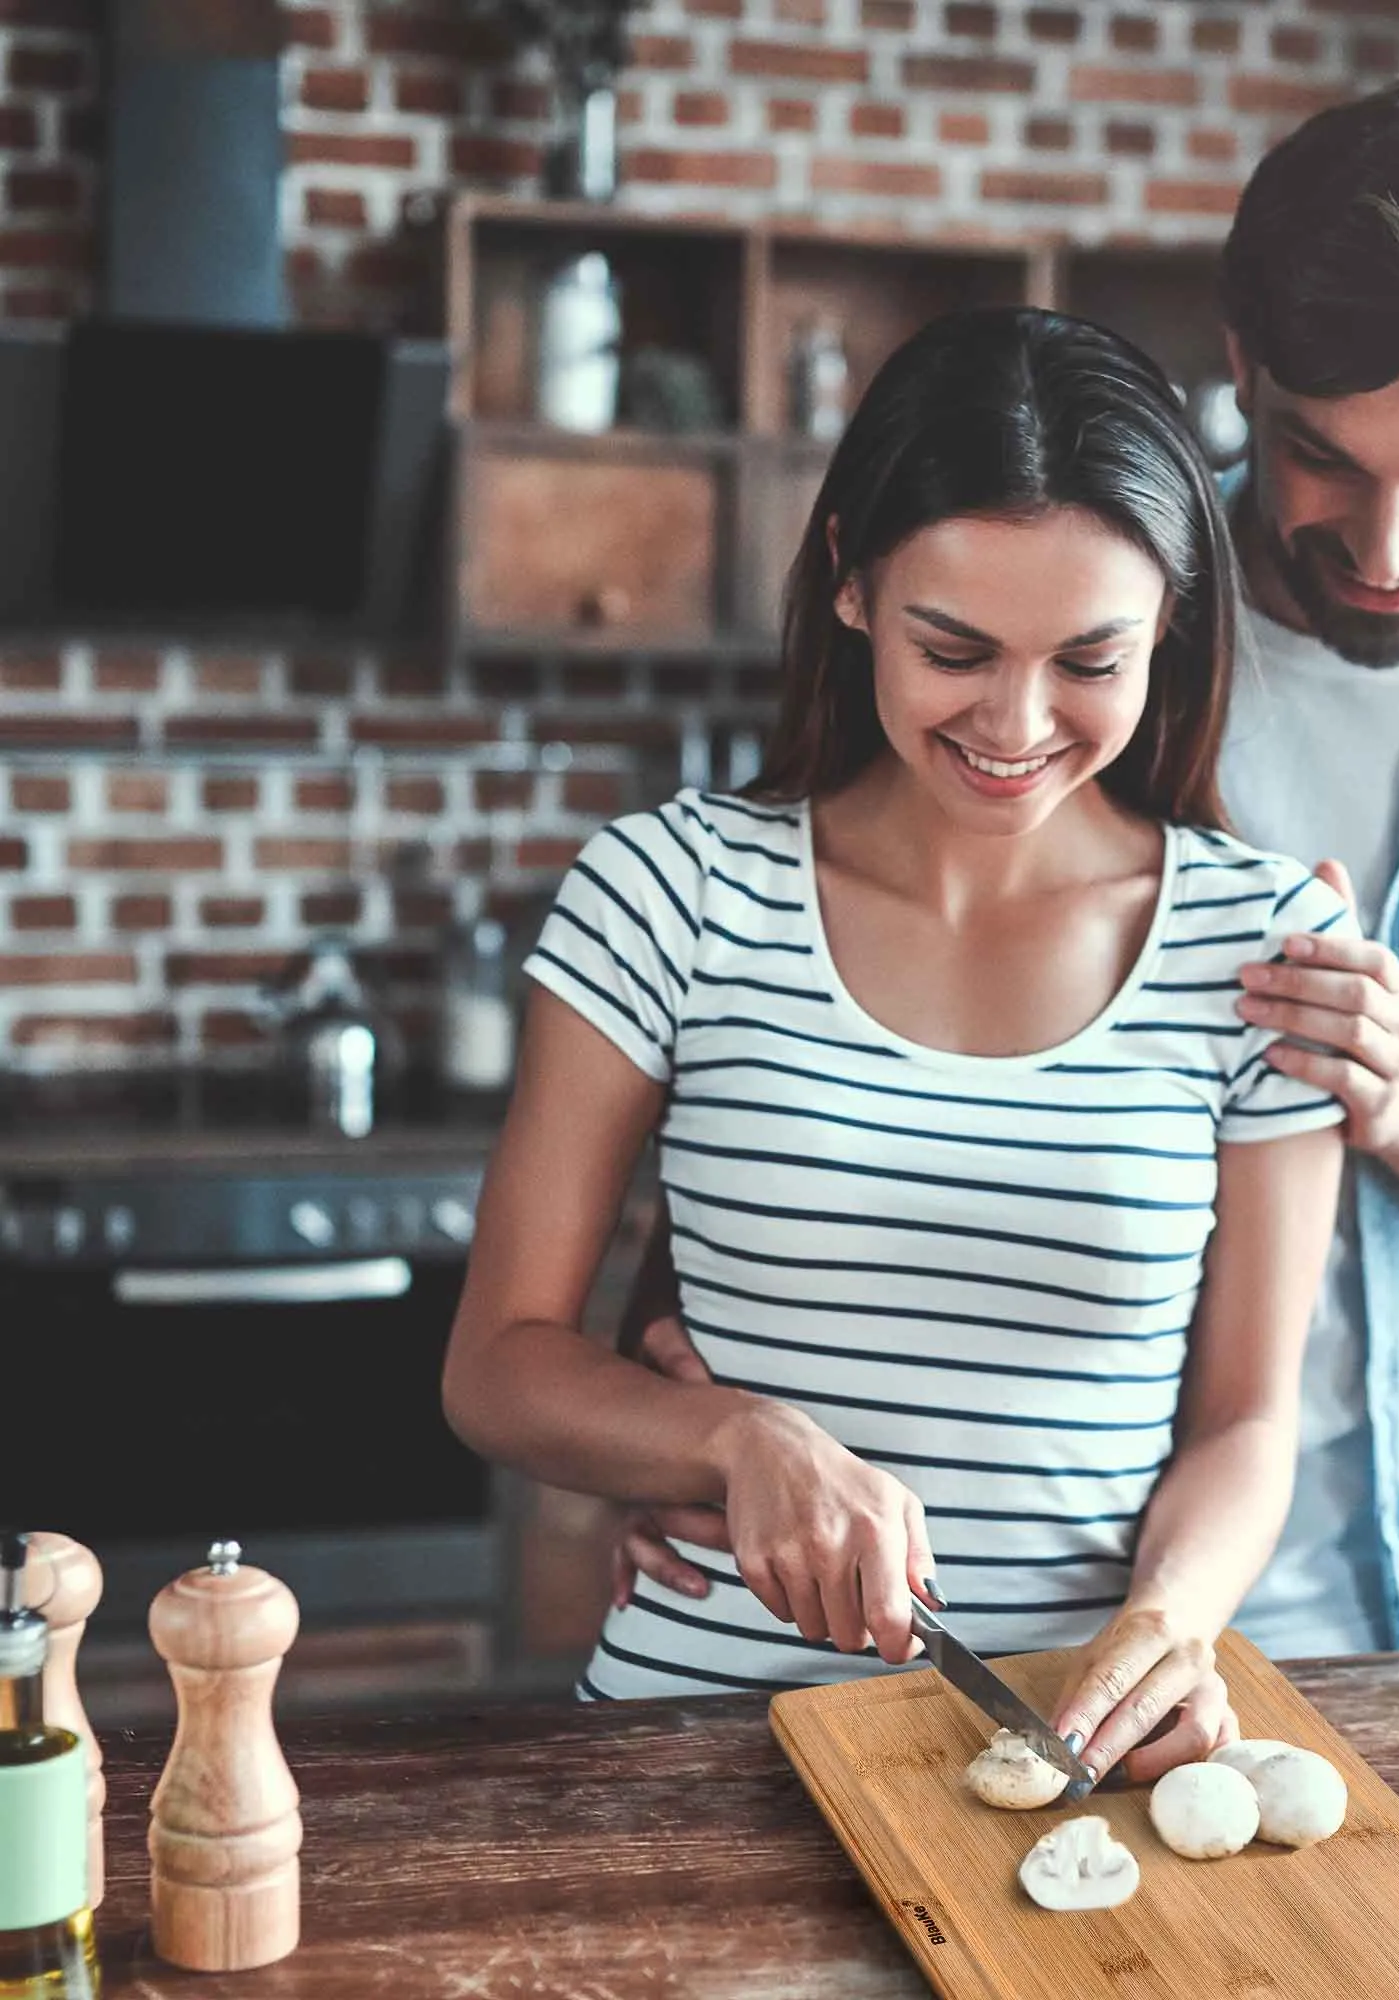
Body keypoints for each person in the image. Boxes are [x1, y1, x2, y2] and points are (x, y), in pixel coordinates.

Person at [611, 71, 1399, 1661]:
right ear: (1242, 370)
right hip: (968, 1612)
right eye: (1323, 460)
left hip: (1395, 1598)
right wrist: (679, 1416)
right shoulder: (1057, 617)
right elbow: (793, 1003)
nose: (1383, 543)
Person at [442, 305, 1350, 1784]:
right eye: (957, 647)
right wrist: (733, 1442)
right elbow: (496, 1365)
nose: (1017, 721)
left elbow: (1248, 1421)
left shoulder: (1261, 949)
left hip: (1069, 1752)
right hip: (697, 1743)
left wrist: (1171, 1628)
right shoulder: (669, 893)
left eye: (1089, 661)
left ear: (1172, 622)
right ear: (854, 583)